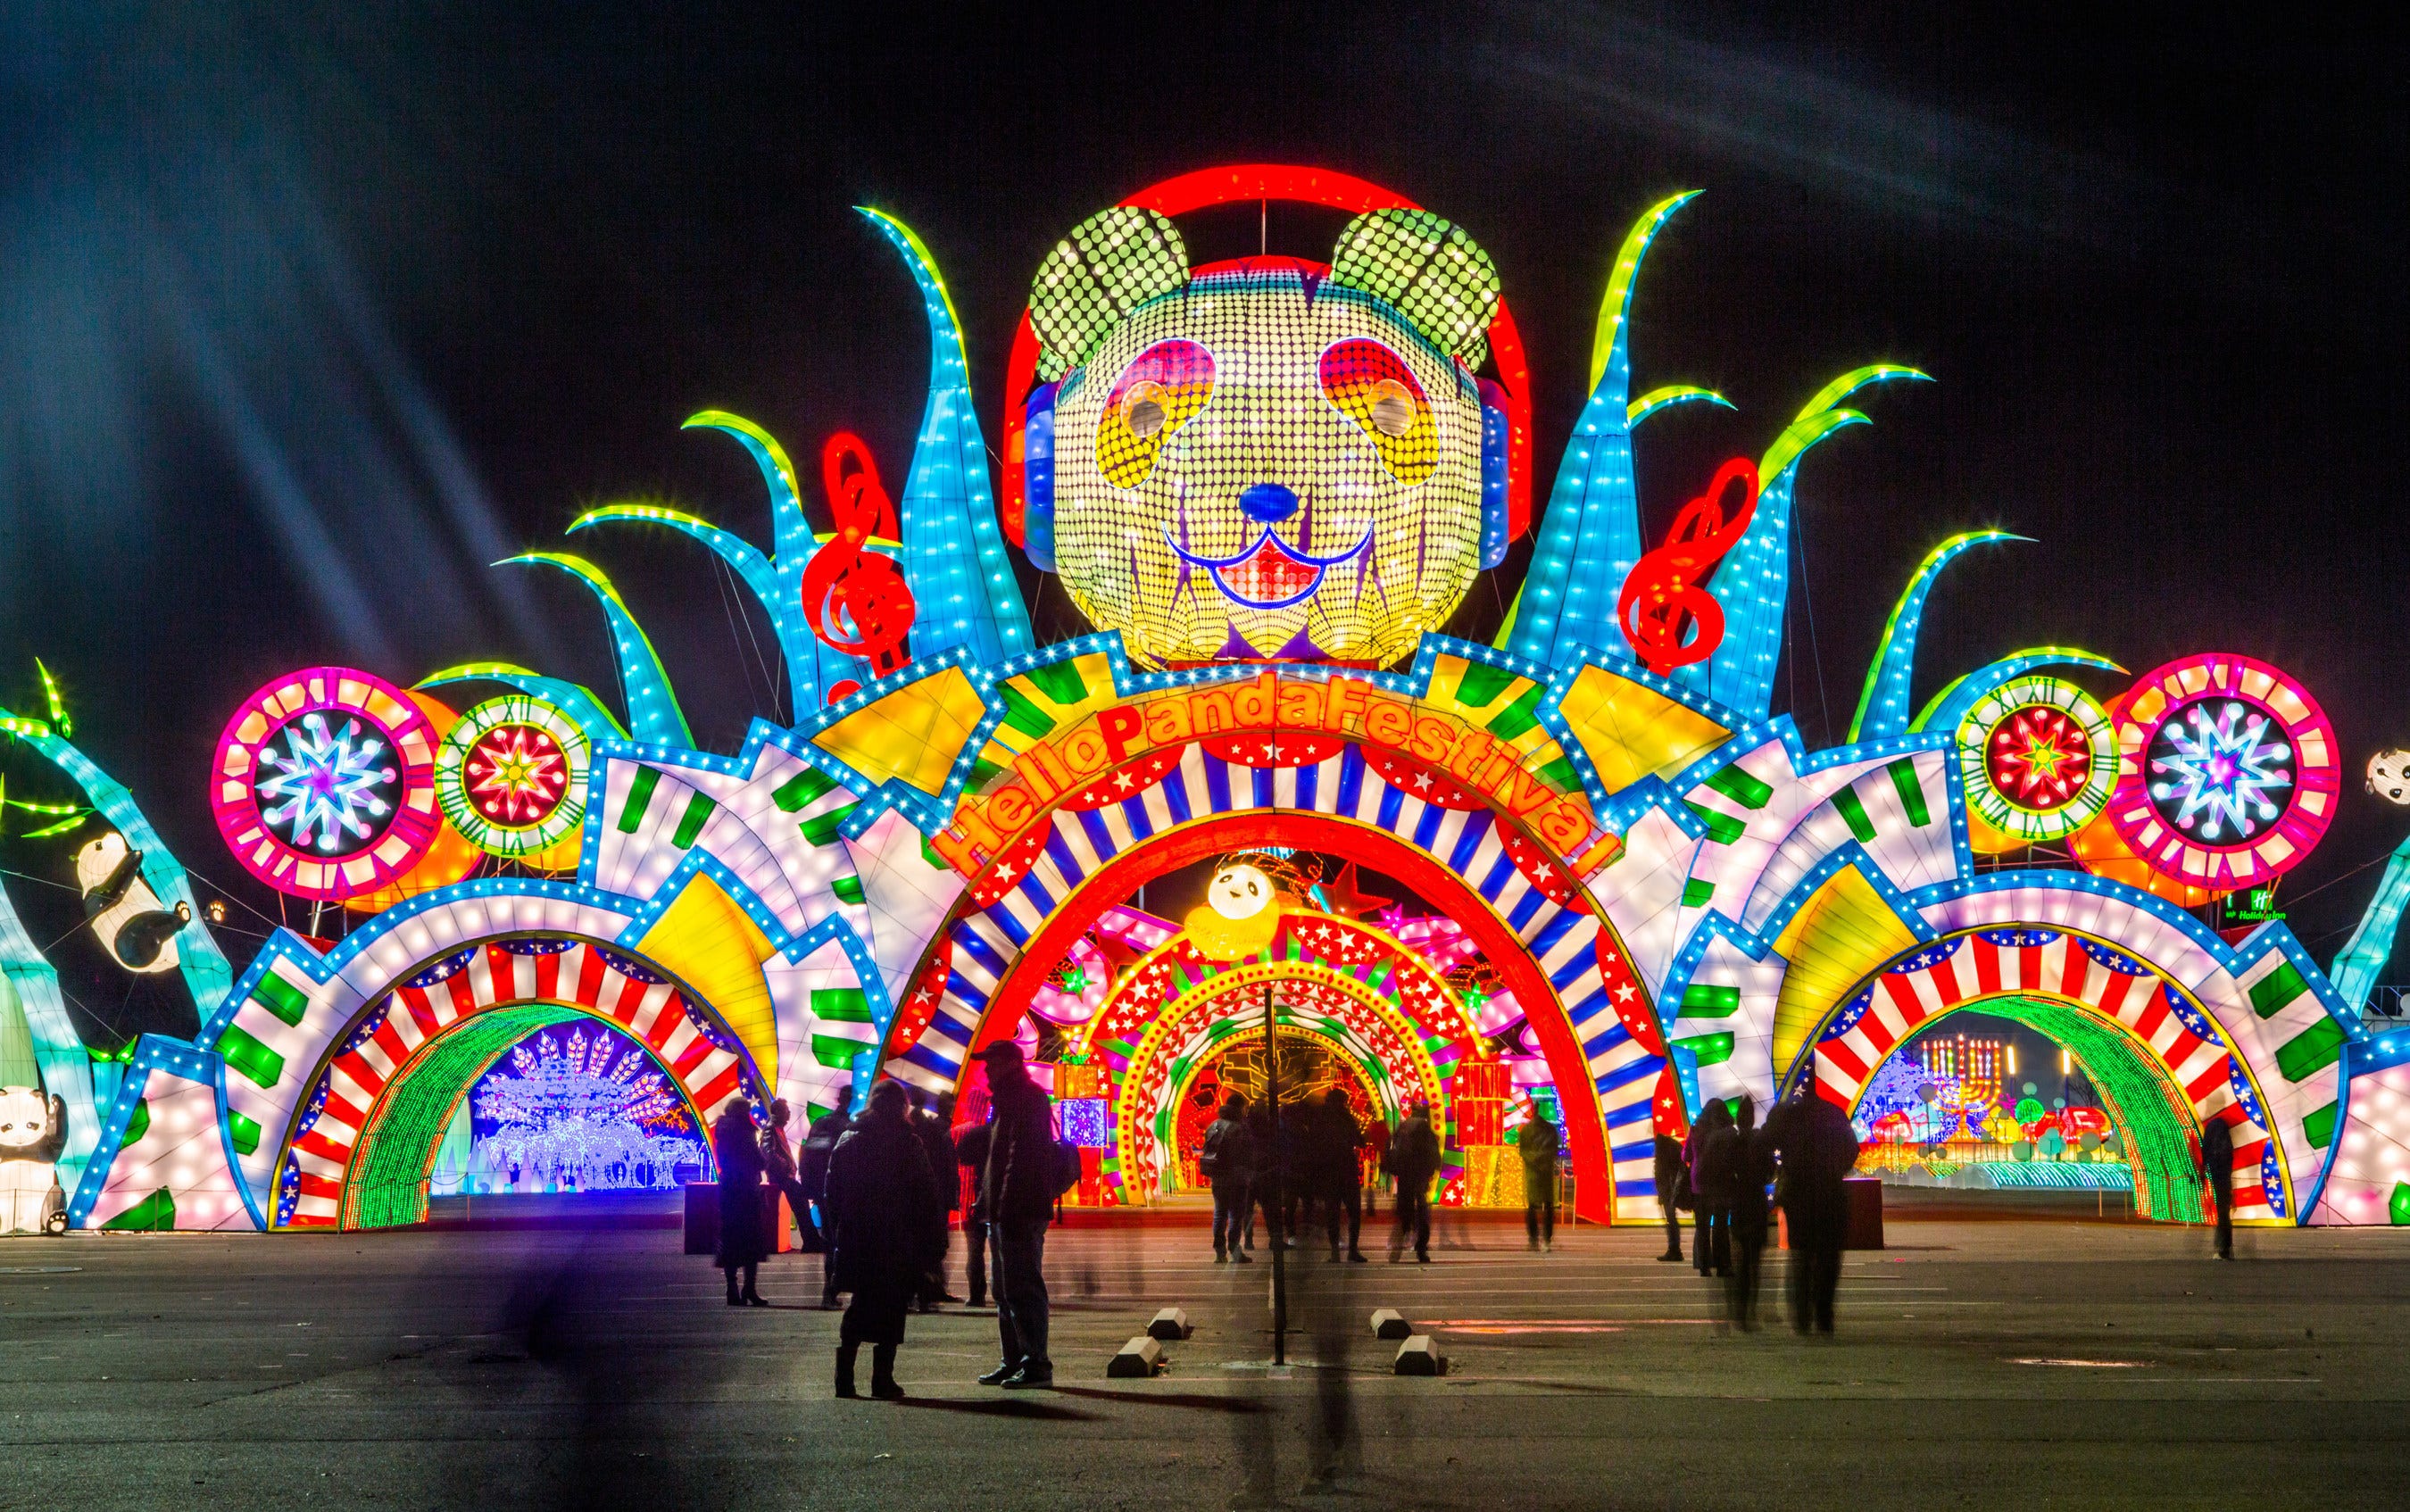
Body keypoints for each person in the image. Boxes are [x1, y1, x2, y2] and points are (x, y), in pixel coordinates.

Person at [824, 1080, 943, 1399]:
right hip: (898, 1238)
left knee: (860, 1304)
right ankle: (882, 1379)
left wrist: (839, 1228)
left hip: (859, 1235)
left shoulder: (850, 1138)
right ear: (902, 1106)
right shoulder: (908, 1142)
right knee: (893, 1306)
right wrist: (932, 1239)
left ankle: (844, 1378)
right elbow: (926, 1193)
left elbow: (832, 1190)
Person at [975, 1039, 1058, 1388]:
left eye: (991, 1062)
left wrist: (1004, 1205)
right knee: (1004, 1290)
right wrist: (986, 1200)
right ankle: (1013, 1360)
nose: (986, 1069)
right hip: (1002, 1210)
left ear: (1011, 1063)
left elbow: (1020, 1158)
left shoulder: (1027, 1098)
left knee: (1023, 1287)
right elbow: (997, 1160)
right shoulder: (1007, 1099)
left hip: (1019, 1210)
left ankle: (1036, 1363)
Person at [1764, 1084, 1860, 1334]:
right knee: (1828, 1258)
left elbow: (1767, 1139)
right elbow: (1852, 1149)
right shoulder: (1833, 1113)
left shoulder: (1789, 1116)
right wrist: (1835, 1170)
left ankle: (1802, 1315)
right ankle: (1824, 1316)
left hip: (1799, 1195)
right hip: (1830, 1193)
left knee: (1801, 1258)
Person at [1713, 1098, 1773, 1329]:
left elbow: (1723, 1170)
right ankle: (1749, 1312)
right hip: (1756, 1203)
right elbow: (1770, 1171)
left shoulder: (1732, 1143)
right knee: (1754, 1262)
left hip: (1739, 1204)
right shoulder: (1760, 1142)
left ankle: (1739, 1310)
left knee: (1741, 1259)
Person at [711, 1099, 769, 1307]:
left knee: (731, 1239)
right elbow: (758, 1161)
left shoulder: (722, 1130)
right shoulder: (746, 1131)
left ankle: (732, 1288)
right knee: (751, 1240)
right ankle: (749, 1288)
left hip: (728, 1189)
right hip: (747, 1190)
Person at [907, 1087, 961, 1308]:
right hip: (934, 1192)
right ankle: (929, 1290)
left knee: (927, 1242)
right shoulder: (933, 1128)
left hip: (926, 1191)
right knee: (933, 1243)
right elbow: (944, 1164)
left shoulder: (916, 1124)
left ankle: (929, 1290)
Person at [801, 1099, 852, 1301]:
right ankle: (832, 1289)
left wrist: (809, 1187)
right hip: (840, 1191)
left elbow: (806, 1154)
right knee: (840, 1241)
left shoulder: (820, 1123)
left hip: (821, 1190)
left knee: (830, 1241)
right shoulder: (845, 1127)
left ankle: (830, 1289)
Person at [1310, 1090, 1367, 1262]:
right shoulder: (1345, 1117)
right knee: (1353, 1212)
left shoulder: (1319, 1117)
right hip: (1346, 1169)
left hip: (1328, 1170)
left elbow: (1313, 1143)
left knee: (1332, 1213)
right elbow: (1359, 1141)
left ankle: (1335, 1251)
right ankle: (1352, 1250)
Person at [1383, 1101, 1441, 1263]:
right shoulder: (1424, 1130)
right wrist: (1432, 1168)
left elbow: (1391, 1147)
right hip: (1419, 1176)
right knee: (1422, 1210)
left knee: (1404, 1210)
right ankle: (1421, 1249)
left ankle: (1397, 1248)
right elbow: (1432, 1152)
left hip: (1404, 1175)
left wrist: (1392, 1166)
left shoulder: (1402, 1128)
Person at [1201, 1093, 1256, 1263]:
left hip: (1217, 1177)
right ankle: (1235, 1250)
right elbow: (1247, 1153)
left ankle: (1219, 1252)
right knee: (1236, 1216)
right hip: (1237, 1178)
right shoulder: (1240, 1128)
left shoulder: (1213, 1125)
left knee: (1220, 1214)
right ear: (1240, 1107)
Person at [1685, 1099, 1735, 1278]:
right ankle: (1723, 1266)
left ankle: (1704, 1267)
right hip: (1722, 1184)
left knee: (1702, 1227)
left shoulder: (1696, 1129)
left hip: (1699, 1185)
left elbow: (1685, 1155)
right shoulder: (1728, 1132)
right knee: (1721, 1226)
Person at [954, 1104, 993, 1306]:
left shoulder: (974, 1134)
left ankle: (977, 1295)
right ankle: (1003, 1293)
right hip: (999, 1201)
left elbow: (961, 1157)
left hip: (978, 1199)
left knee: (975, 1251)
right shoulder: (1008, 1134)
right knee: (1001, 1251)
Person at [1516, 1101, 1562, 1253]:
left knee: (1532, 1206)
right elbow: (1554, 1149)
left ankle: (1533, 1239)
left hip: (1532, 1174)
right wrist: (1544, 1160)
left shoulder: (1526, 1131)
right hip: (1546, 1173)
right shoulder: (1550, 1130)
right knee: (1548, 1206)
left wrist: (1534, 1160)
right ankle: (1546, 1239)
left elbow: (1523, 1151)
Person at [760, 1099, 806, 1252]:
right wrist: (786, 1165)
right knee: (800, 1202)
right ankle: (811, 1239)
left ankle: (811, 1239)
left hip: (783, 1176)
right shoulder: (771, 1128)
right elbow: (768, 1152)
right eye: (786, 1110)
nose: (789, 1113)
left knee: (800, 1203)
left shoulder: (777, 1128)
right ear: (778, 1112)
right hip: (781, 1177)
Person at [2202, 1115, 2235, 1260]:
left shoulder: (2212, 1129)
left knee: (2222, 1214)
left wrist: (2205, 1167)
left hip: (2217, 1174)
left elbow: (2205, 1150)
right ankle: (2225, 1249)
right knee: (2224, 1213)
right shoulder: (2223, 1133)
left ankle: (2222, 1249)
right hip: (2225, 1175)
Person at [1652, 1129, 1686, 1263]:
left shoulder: (1662, 1152)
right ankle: (1674, 1249)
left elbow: (1660, 1175)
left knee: (1671, 1220)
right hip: (1672, 1188)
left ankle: (1674, 1249)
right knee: (1672, 1220)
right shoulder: (1673, 1148)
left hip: (1667, 1190)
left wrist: (1661, 1193)